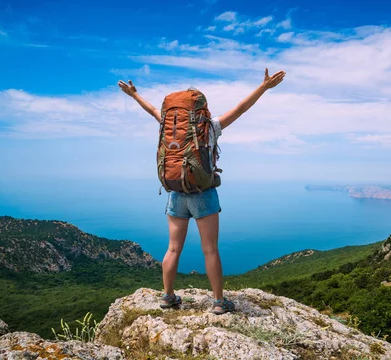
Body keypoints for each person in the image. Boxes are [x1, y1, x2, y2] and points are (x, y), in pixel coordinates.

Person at [117, 68, 286, 314]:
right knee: (210, 249)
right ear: (201, 109)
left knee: (173, 248)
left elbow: (153, 110)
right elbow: (240, 108)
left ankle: (168, 296)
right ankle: (219, 302)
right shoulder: (210, 126)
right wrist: (263, 87)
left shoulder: (168, 125)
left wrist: (134, 95)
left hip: (176, 192)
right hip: (203, 195)